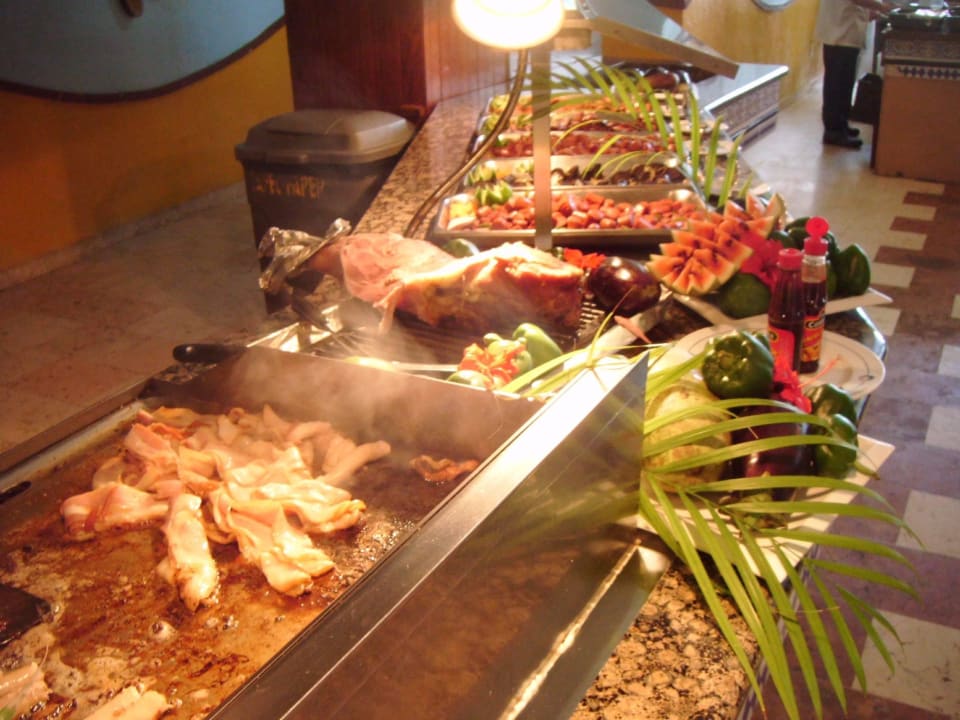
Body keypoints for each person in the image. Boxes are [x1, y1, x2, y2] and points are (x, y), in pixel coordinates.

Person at [815, 0, 896, 149]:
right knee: (836, 86)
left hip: (844, 32)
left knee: (844, 85)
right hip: (840, 34)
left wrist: (870, 12)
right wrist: (881, 6)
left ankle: (841, 125)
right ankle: (833, 131)